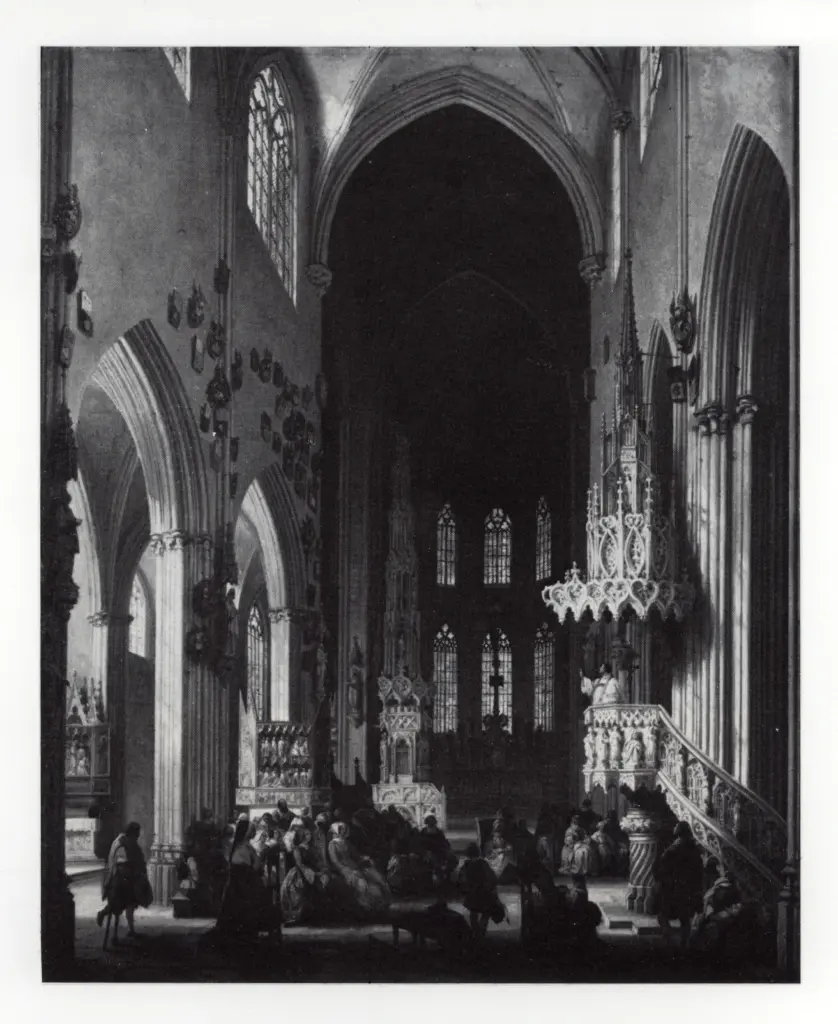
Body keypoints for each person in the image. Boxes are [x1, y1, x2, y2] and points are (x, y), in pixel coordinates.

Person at [215, 816, 280, 944]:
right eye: (251, 830)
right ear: (245, 832)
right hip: (243, 887)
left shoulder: (247, 846)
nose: (253, 832)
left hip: (250, 883)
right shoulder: (241, 848)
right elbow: (247, 869)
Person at [652, 821, 705, 949]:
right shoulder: (694, 849)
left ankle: (669, 939)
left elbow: (660, 868)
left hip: (673, 888)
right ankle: (683, 943)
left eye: (676, 826)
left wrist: (661, 878)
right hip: (688, 888)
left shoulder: (673, 849)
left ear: (679, 831)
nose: (674, 827)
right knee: (685, 919)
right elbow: (699, 871)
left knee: (663, 916)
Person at [97, 822, 151, 940]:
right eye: (136, 833)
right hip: (118, 879)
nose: (138, 836)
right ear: (132, 833)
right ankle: (103, 914)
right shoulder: (121, 843)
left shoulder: (129, 842)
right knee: (122, 900)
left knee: (132, 900)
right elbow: (121, 863)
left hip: (127, 878)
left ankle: (131, 929)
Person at [327, 821, 391, 917]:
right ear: (337, 831)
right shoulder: (332, 844)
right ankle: (365, 909)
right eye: (342, 829)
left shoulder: (346, 842)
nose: (344, 831)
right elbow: (335, 861)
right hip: (343, 869)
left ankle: (378, 907)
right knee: (361, 883)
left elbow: (355, 855)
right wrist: (347, 870)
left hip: (355, 866)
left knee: (376, 878)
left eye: (345, 829)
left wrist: (365, 858)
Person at [280, 825, 331, 924]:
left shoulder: (313, 848)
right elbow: (300, 864)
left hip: (315, 870)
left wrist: (323, 870)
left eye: (309, 834)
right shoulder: (297, 849)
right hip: (302, 872)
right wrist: (313, 874)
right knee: (304, 888)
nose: (309, 836)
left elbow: (319, 861)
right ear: (300, 835)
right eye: (306, 834)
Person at [457, 843, 505, 941]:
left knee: (473, 914)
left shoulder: (466, 865)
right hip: (484, 893)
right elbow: (493, 878)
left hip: (472, 894)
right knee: (485, 914)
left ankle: (476, 932)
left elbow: (461, 880)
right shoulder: (483, 863)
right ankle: (481, 934)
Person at [419, 815, 457, 886]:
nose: (431, 824)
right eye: (429, 823)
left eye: (432, 823)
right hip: (427, 853)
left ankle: (444, 879)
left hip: (438, 852)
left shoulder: (439, 832)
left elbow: (444, 843)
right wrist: (425, 852)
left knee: (447, 859)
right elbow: (420, 843)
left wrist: (447, 850)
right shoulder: (423, 832)